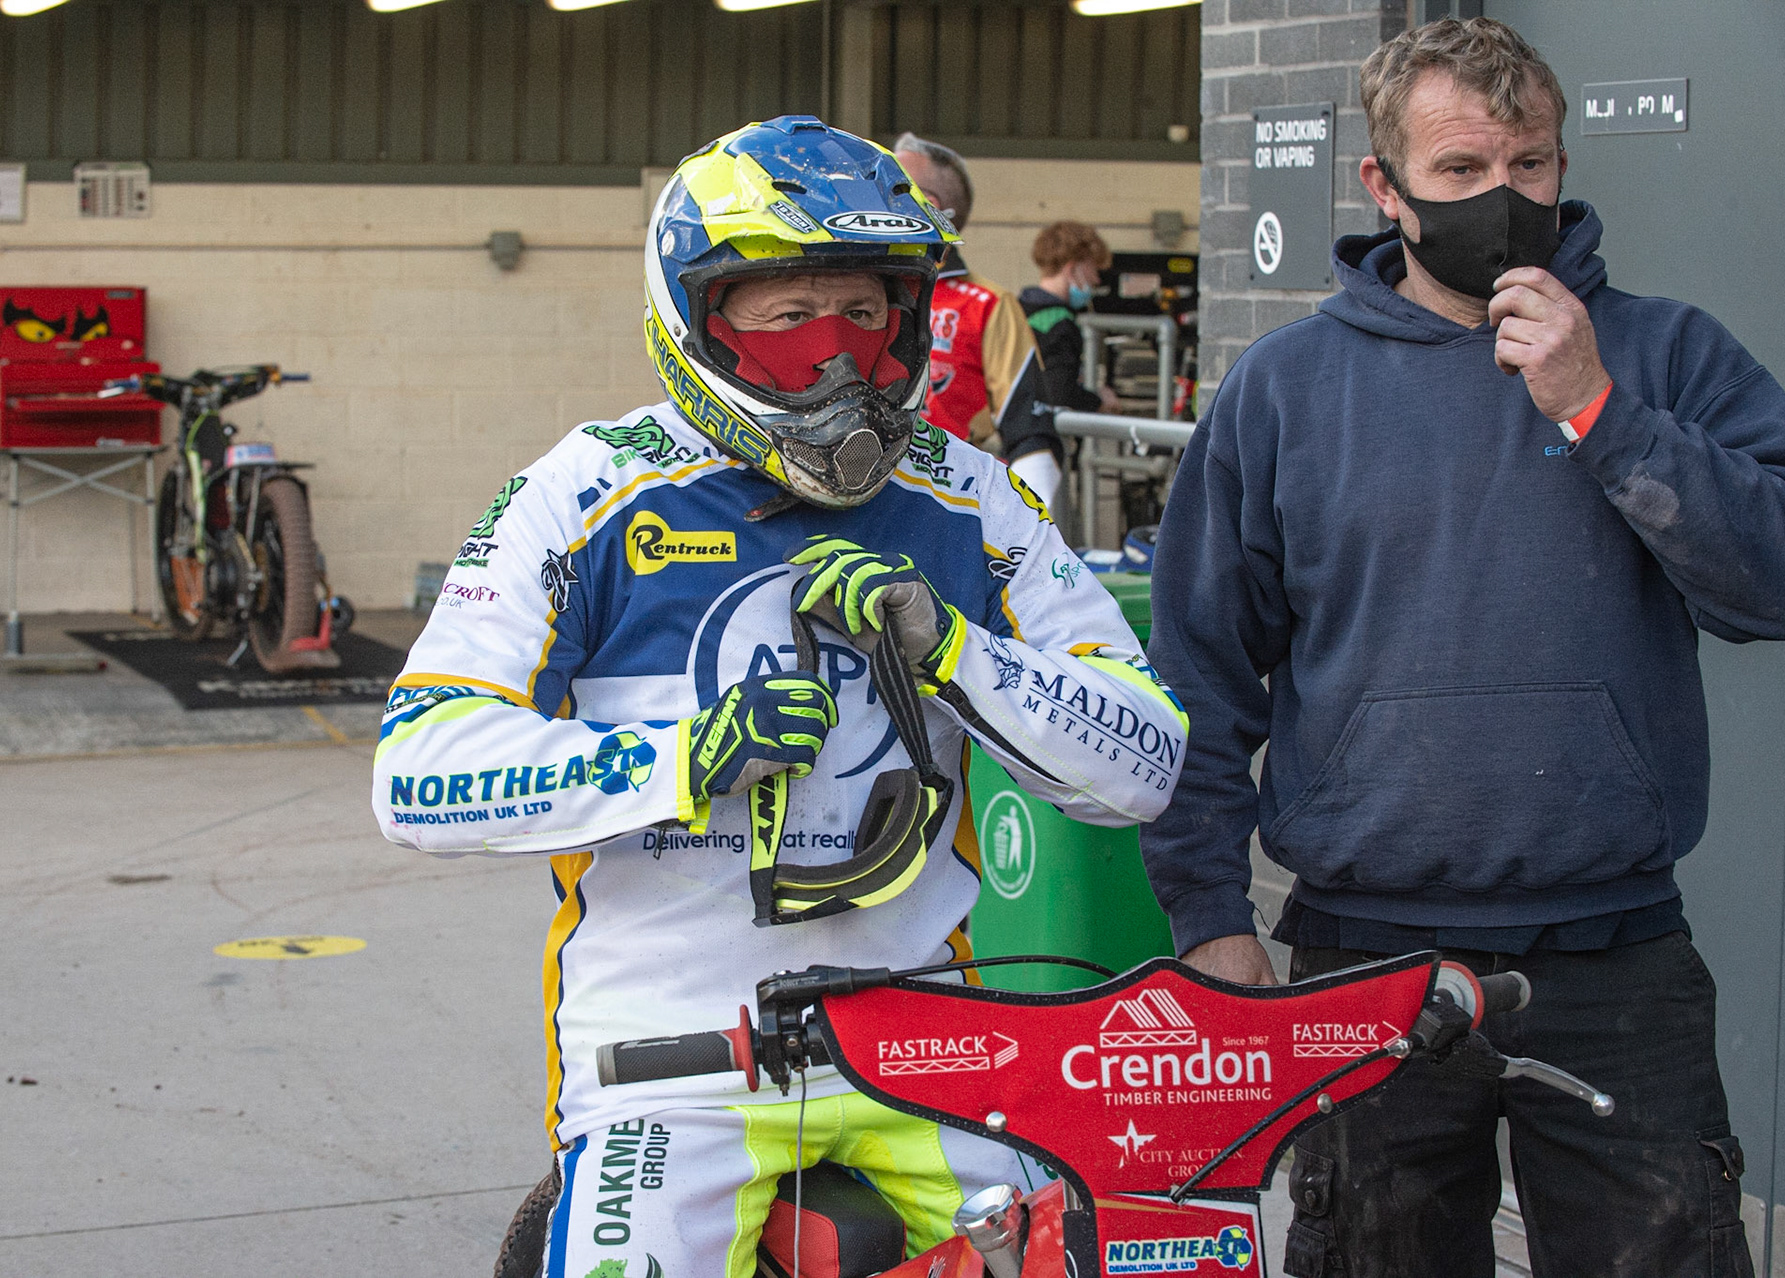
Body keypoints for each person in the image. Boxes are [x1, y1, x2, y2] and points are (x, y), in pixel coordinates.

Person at [373, 115, 1188, 1278]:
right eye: (788, 314)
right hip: (673, 1059)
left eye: (864, 311)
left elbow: (1148, 764)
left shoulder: (972, 496)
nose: (836, 355)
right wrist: (681, 757)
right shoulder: (586, 492)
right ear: (700, 315)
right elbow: (415, 772)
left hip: (926, 1042)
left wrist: (958, 653)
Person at [1141, 17, 1785, 1278]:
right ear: (1382, 187)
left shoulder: (1669, 354)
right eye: (1460, 173)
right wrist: (1207, 913)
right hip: (1365, 954)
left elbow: (1778, 583)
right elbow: (1199, 670)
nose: (1504, 200)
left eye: (1533, 166)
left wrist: (1600, 410)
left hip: (1619, 955)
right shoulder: (1284, 390)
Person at [890, 133, 1063, 508]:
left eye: (888, 185)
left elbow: (1031, 434)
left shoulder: (989, 305)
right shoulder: (854, 291)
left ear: (928, 204)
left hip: (946, 501)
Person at [1018, 220, 1122, 420]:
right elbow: (1059, 393)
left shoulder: (1017, 308)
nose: (1096, 280)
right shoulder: (1060, 323)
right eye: (1093, 269)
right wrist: (1099, 401)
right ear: (1072, 269)